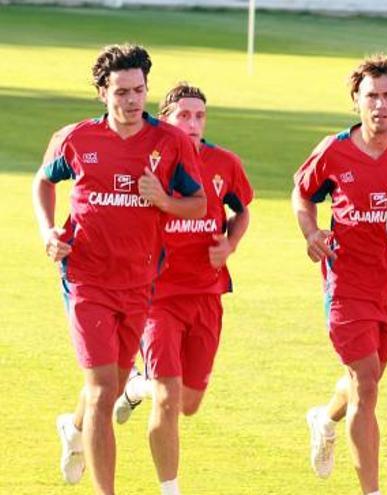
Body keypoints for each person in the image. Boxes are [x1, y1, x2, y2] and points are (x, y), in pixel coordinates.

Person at [33, 44, 206, 494]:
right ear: (102, 94)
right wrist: (48, 231)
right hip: (85, 279)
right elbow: (44, 180)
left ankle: (73, 430)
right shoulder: (77, 138)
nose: (132, 100)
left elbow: (198, 204)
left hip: (139, 282)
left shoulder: (170, 143)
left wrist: (162, 200)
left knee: (109, 390)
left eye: (139, 90)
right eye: (122, 92)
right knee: (101, 388)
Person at [292, 54, 387, 494]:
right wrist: (311, 232)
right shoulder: (333, 151)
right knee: (367, 386)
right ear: (355, 101)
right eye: (371, 96)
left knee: (366, 380)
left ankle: (324, 418)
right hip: (348, 285)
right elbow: (302, 195)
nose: (380, 105)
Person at [111, 82, 254, 495]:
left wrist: (230, 244)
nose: (193, 123)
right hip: (156, 298)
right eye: (184, 115)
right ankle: (170, 489)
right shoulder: (149, 162)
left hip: (206, 295)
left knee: (188, 403)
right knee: (168, 398)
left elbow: (241, 210)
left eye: (200, 116)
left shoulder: (224, 163)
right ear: (167, 119)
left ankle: (136, 386)